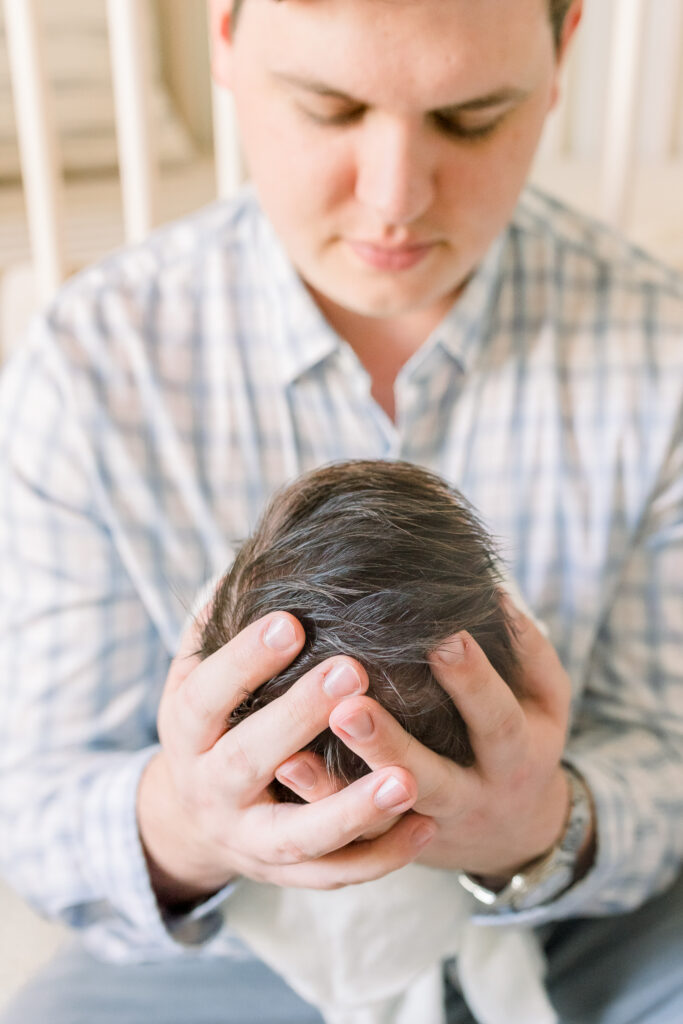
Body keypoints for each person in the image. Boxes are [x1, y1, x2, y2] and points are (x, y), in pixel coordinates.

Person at [0, 0, 681, 1022]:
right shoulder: (91, 366)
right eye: (329, 107)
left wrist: (542, 823)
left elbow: (665, 756)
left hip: (569, 930)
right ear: (224, 38)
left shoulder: (660, 359)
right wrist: (191, 826)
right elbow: (39, 800)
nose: (395, 197)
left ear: (559, 54)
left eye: (472, 116)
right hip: (229, 953)